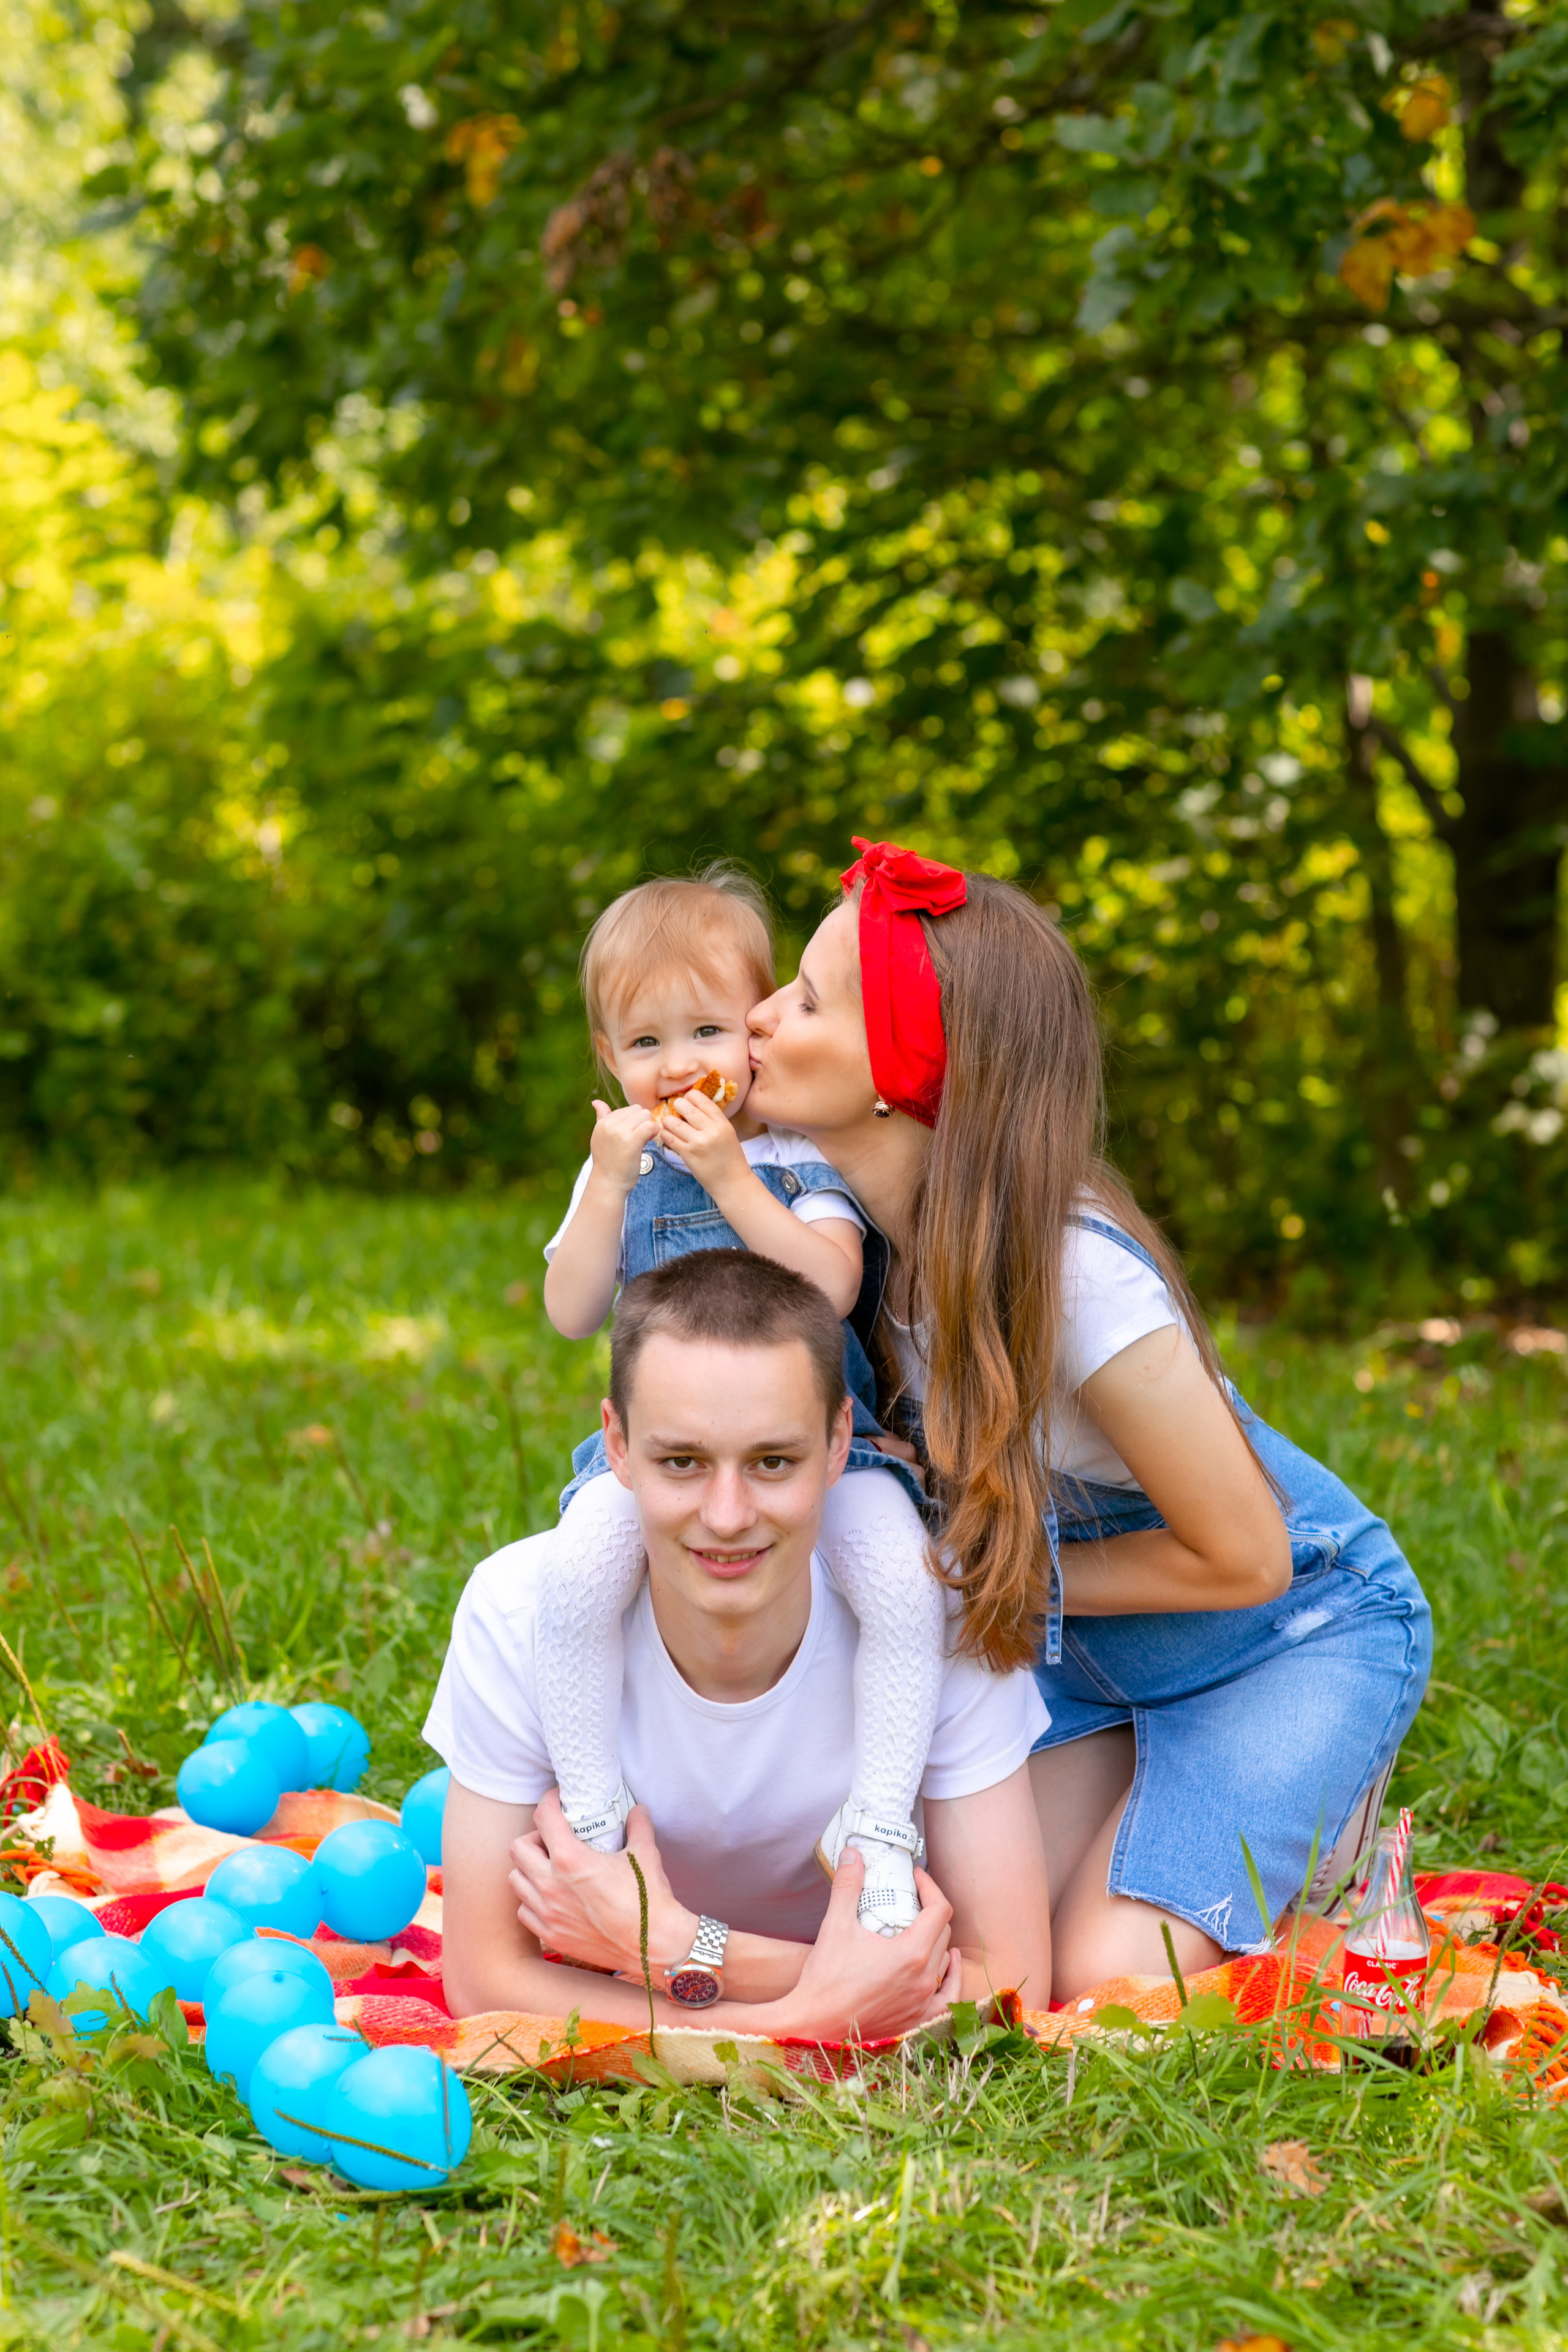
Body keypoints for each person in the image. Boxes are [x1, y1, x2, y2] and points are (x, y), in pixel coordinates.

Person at [743, 838, 1433, 2002]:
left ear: (900, 1073)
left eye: (806, 999)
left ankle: (1331, 1814)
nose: (759, 1016)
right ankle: (1162, 1800)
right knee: (983, 1947)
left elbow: (1248, 1555)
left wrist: (988, 1582)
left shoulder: (1074, 1279)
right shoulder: (840, 1227)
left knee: (1105, 1992)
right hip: (1078, 1647)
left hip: (1290, 1632)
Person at [429, 1251, 1050, 2040]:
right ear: (615, 1445)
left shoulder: (940, 1609)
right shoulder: (519, 1607)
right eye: (682, 1461)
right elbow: (486, 1980)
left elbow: (1016, 1981)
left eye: (772, 1462)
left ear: (837, 1445)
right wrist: (809, 2017)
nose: (727, 1516)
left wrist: (677, 1948)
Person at [532, 866, 948, 1936]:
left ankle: (880, 1823)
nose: (679, 1068)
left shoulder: (791, 1153)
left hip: (822, 1457)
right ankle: (591, 1809)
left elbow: (830, 1284)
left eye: (708, 1030)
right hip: (671, 1465)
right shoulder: (615, 1172)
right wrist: (611, 1189)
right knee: (576, 1575)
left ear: (754, 1036)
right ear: (608, 1063)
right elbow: (573, 1310)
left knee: (904, 1591)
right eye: (644, 1044)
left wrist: (729, 1180)